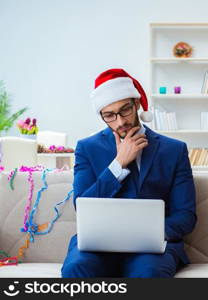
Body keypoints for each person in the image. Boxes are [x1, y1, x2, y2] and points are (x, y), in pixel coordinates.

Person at [61, 68, 197, 278]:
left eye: (125, 110)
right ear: (102, 116)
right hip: (99, 244)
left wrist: (146, 234)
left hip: (151, 248)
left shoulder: (174, 150)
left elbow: (185, 216)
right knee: (76, 268)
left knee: (148, 272)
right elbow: (83, 205)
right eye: (109, 115)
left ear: (137, 104)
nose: (120, 121)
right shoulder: (87, 148)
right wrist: (119, 164)